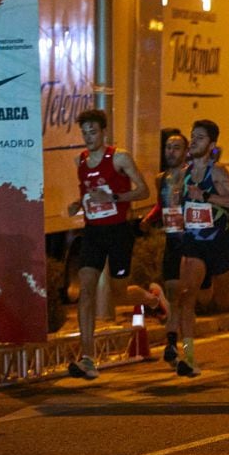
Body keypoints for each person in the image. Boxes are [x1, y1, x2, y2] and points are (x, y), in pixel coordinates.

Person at [66, 109, 162, 380]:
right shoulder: (81, 161)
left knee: (119, 293)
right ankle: (87, 358)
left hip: (119, 232)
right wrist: (78, 203)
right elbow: (87, 193)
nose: (88, 137)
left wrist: (114, 198)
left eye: (92, 132)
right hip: (93, 232)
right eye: (84, 132)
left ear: (103, 132)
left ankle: (152, 300)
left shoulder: (119, 157)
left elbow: (144, 190)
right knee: (86, 291)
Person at [174, 120, 229, 376]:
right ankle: (189, 357)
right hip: (194, 243)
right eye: (192, 136)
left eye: (201, 138)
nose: (194, 141)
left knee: (220, 302)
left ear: (212, 145)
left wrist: (206, 197)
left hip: (219, 243)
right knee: (188, 297)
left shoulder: (217, 172)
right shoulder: (182, 174)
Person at [139, 131, 192, 368]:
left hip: (193, 242)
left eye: (176, 147)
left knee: (198, 296)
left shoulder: (193, 175)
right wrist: (148, 219)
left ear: (186, 152)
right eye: (168, 147)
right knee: (173, 293)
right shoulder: (161, 179)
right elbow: (162, 205)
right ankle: (172, 344)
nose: (171, 151)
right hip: (172, 241)